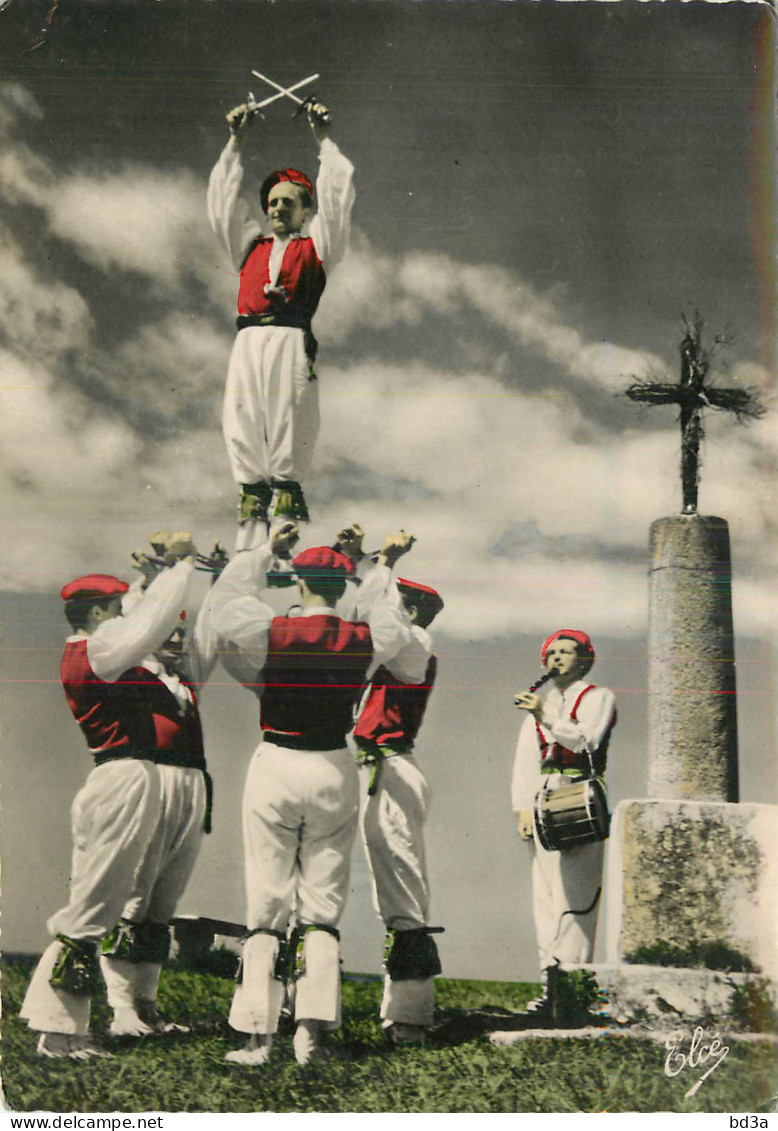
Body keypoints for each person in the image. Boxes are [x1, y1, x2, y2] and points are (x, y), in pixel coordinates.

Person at [206, 523, 418, 1066]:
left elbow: (225, 604)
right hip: (332, 764)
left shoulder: (269, 627)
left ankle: (257, 1037)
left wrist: (262, 552)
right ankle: (313, 1036)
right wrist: (382, 565)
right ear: (344, 586)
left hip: (276, 761)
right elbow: (391, 623)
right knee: (323, 905)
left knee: (266, 901)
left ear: (298, 580)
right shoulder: (365, 636)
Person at [19, 533, 210, 1058]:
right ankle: (58, 1035)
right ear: (101, 611)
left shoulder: (94, 647)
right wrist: (181, 566)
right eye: (114, 606)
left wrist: (153, 577)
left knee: (97, 902)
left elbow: (141, 617)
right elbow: (148, 622)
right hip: (122, 778)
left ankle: (61, 1028)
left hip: (122, 777)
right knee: (94, 907)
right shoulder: (100, 649)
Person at [207, 94, 355, 546]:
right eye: (271, 202)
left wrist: (323, 139)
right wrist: (235, 140)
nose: (276, 208)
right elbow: (221, 205)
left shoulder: (317, 249)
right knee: (244, 421)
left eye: (288, 202)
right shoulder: (249, 247)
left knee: (290, 425)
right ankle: (249, 549)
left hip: (291, 340)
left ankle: (286, 549)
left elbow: (337, 197)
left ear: (305, 210)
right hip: (249, 341)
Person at [353, 571, 445, 1046]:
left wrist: (379, 575)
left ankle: (410, 1018)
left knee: (401, 890)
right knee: (391, 888)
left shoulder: (415, 644)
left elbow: (379, 621)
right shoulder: (396, 652)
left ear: (409, 611)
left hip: (392, 768)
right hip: (377, 767)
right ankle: (403, 1013)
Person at [511, 630, 617, 1017]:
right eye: (551, 652)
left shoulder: (598, 697)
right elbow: (526, 761)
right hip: (543, 799)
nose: (556, 657)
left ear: (584, 660)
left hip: (580, 792)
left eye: (566, 651)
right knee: (545, 899)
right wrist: (522, 808)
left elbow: (585, 742)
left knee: (576, 897)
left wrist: (546, 715)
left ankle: (572, 990)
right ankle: (549, 990)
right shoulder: (542, 705)